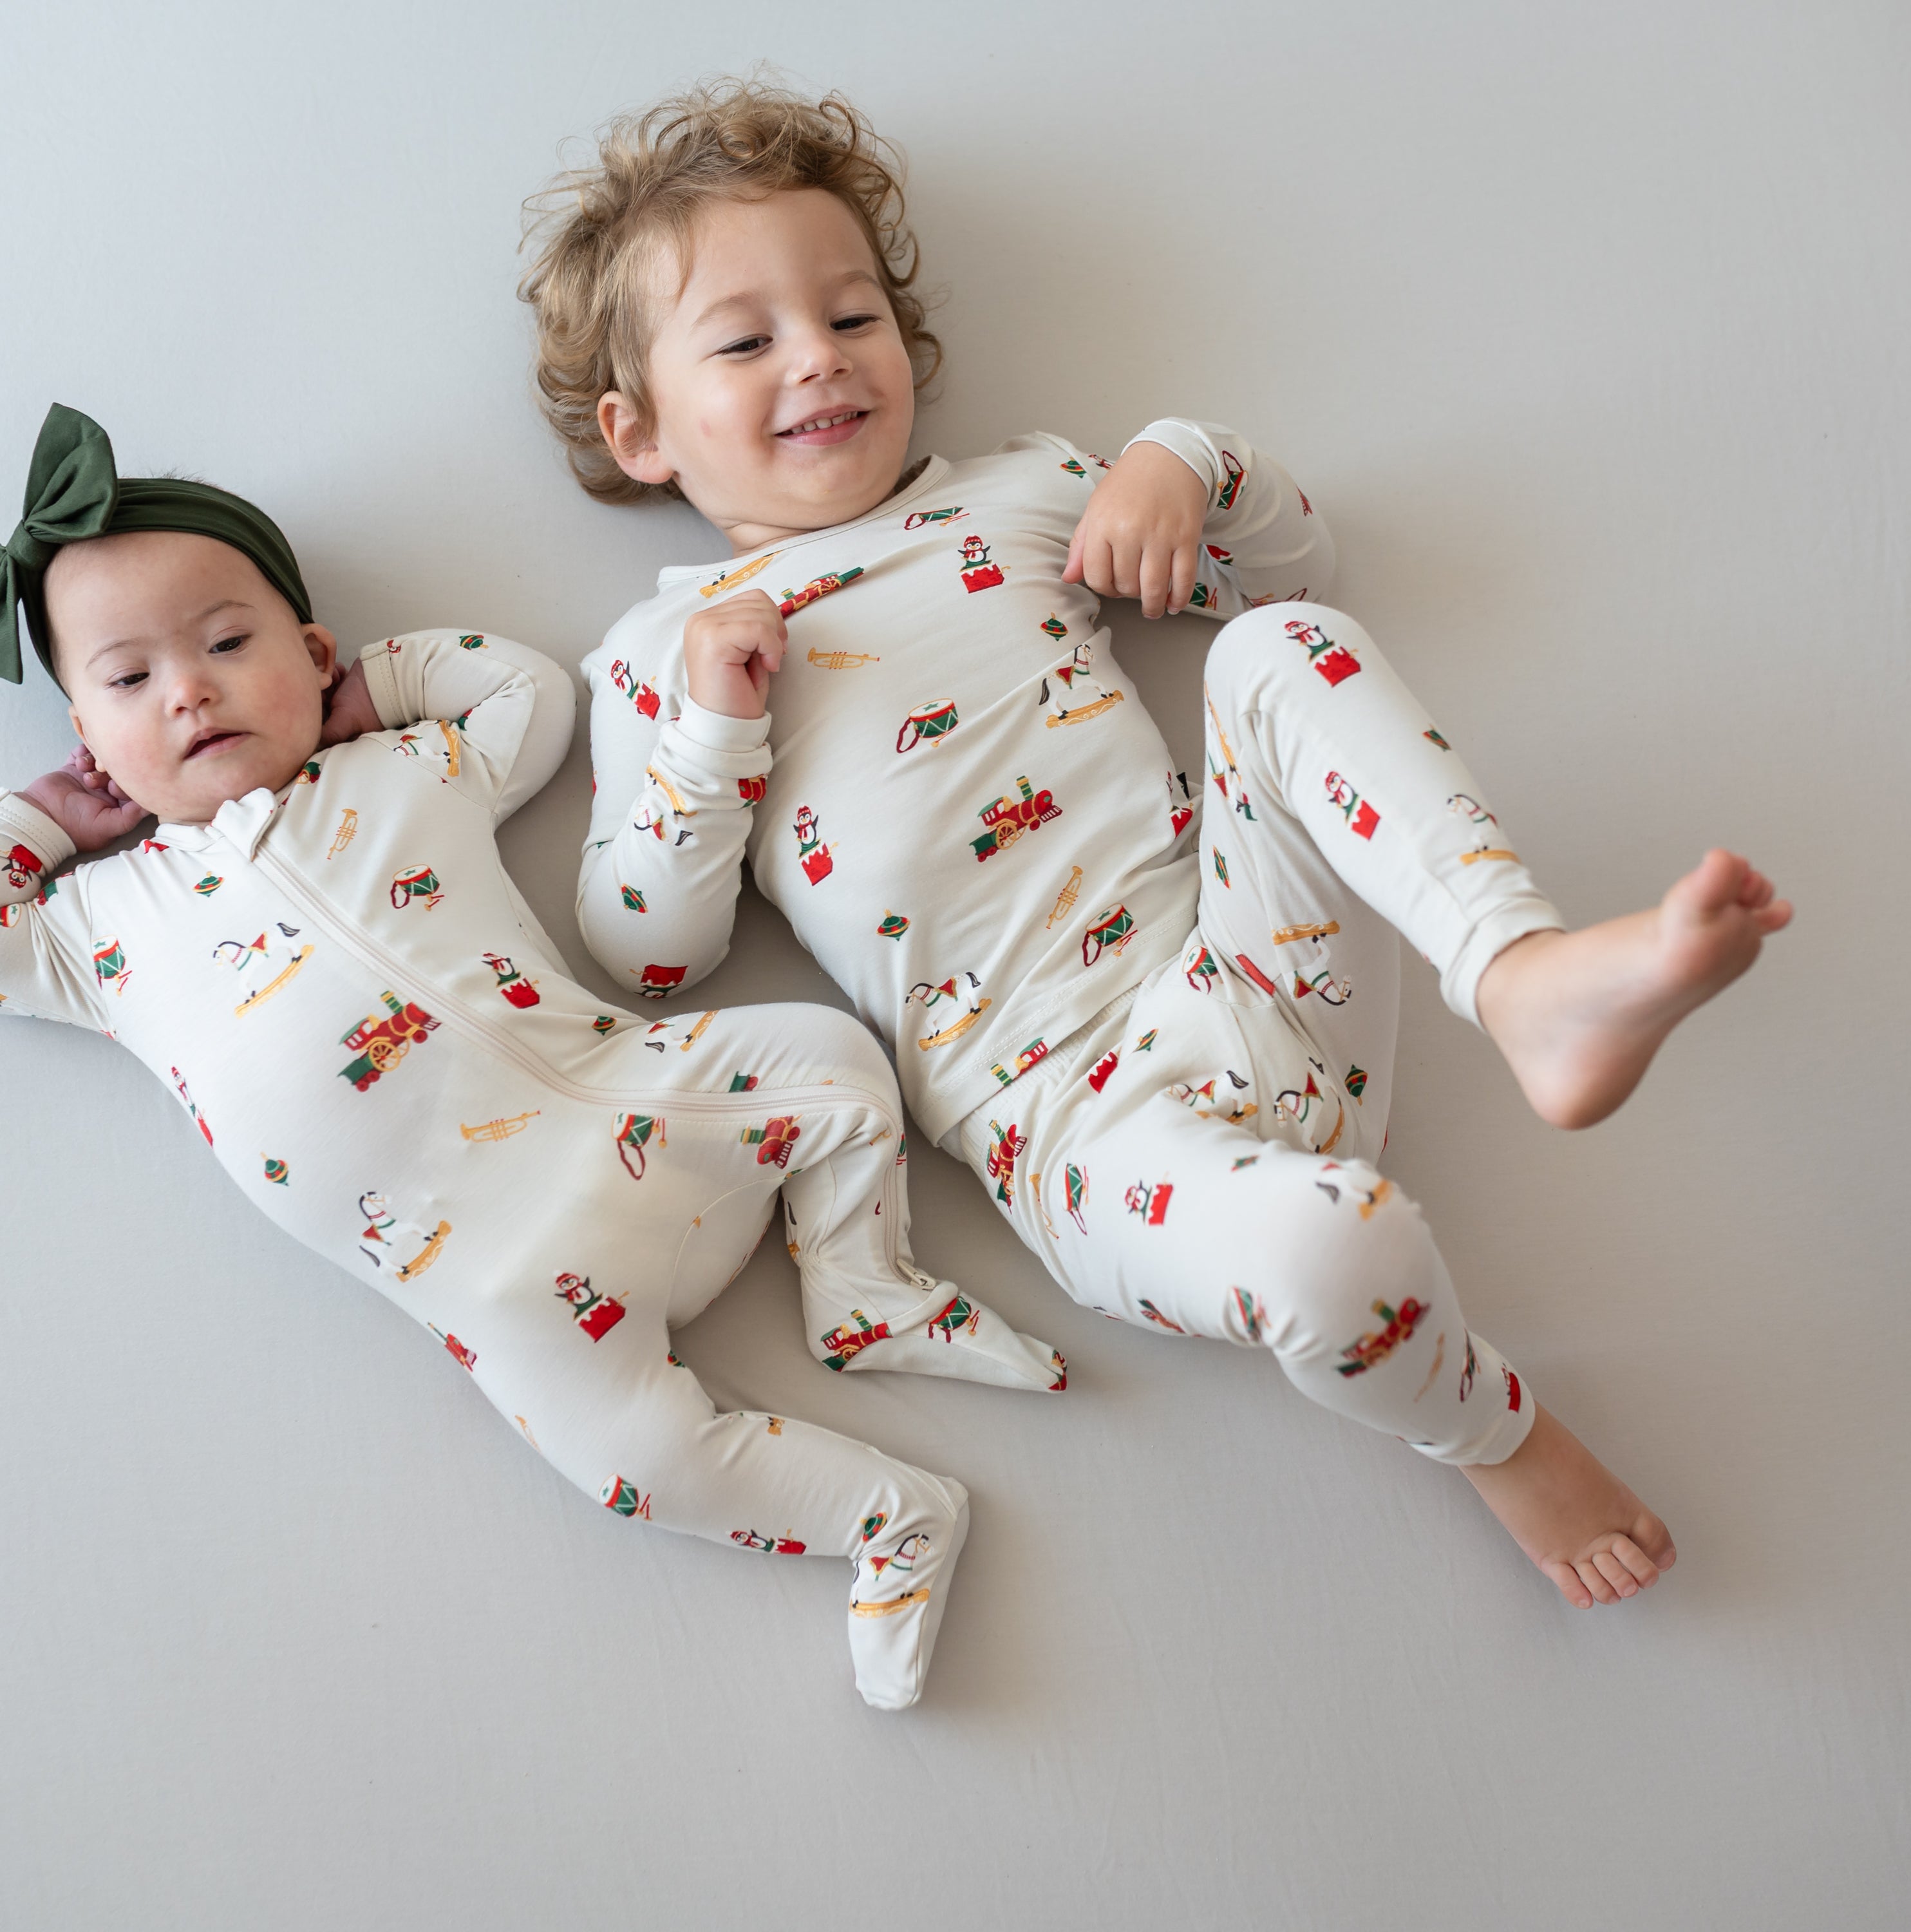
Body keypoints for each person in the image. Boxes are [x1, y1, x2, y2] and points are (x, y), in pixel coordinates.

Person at [525, 79, 1793, 1609]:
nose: (817, 359)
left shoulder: (1019, 499)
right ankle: (1493, 1432)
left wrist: (1179, 463)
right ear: (639, 431)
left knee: (1281, 653)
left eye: (852, 317)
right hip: (1077, 1128)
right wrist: (715, 733)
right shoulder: (662, 656)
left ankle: (1518, 974)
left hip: (1249, 966)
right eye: (746, 341)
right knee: (1339, 1260)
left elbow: (1291, 561)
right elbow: (648, 948)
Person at [0, 404, 1068, 1709]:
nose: (189, 688)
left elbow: (527, 688)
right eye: (128, 680)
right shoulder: (105, 931)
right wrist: (44, 824)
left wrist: (370, 694)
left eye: (231, 642)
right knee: (641, 1464)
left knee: (833, 1059)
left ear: (316, 653)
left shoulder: (404, 768)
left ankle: (865, 1287)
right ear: (86, 737)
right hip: (501, 1283)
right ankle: (890, 1520)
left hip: (643, 1099)